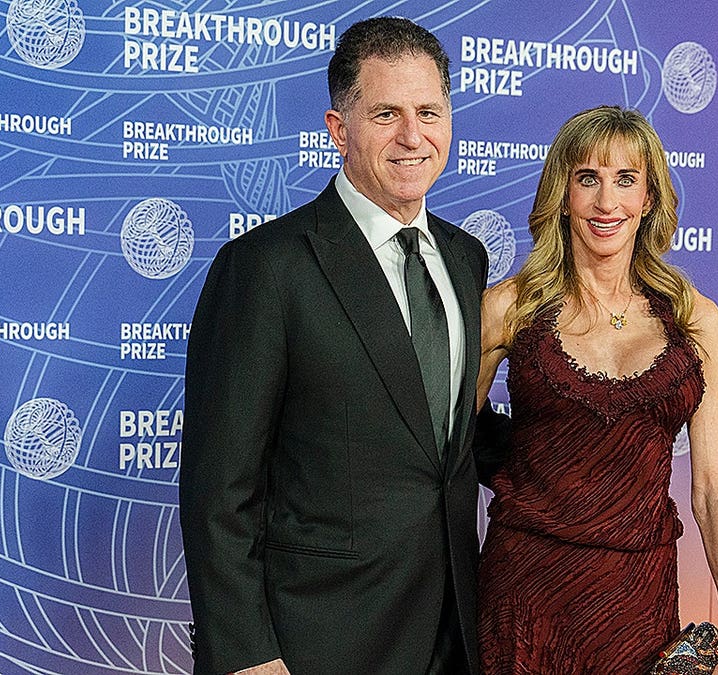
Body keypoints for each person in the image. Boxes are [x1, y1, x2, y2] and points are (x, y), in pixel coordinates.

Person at [179, 17, 488, 675]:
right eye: (386, 113)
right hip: (317, 643)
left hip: (452, 634)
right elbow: (218, 490)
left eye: (429, 111)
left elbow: (440, 434)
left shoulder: (466, 259)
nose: (413, 135)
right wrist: (249, 655)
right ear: (338, 129)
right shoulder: (266, 266)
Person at [475, 106, 718, 674]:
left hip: (638, 605)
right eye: (588, 179)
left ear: (649, 199)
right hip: (524, 595)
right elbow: (447, 447)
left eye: (626, 180)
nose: (607, 203)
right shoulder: (510, 307)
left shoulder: (695, 320)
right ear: (563, 193)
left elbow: (711, 490)